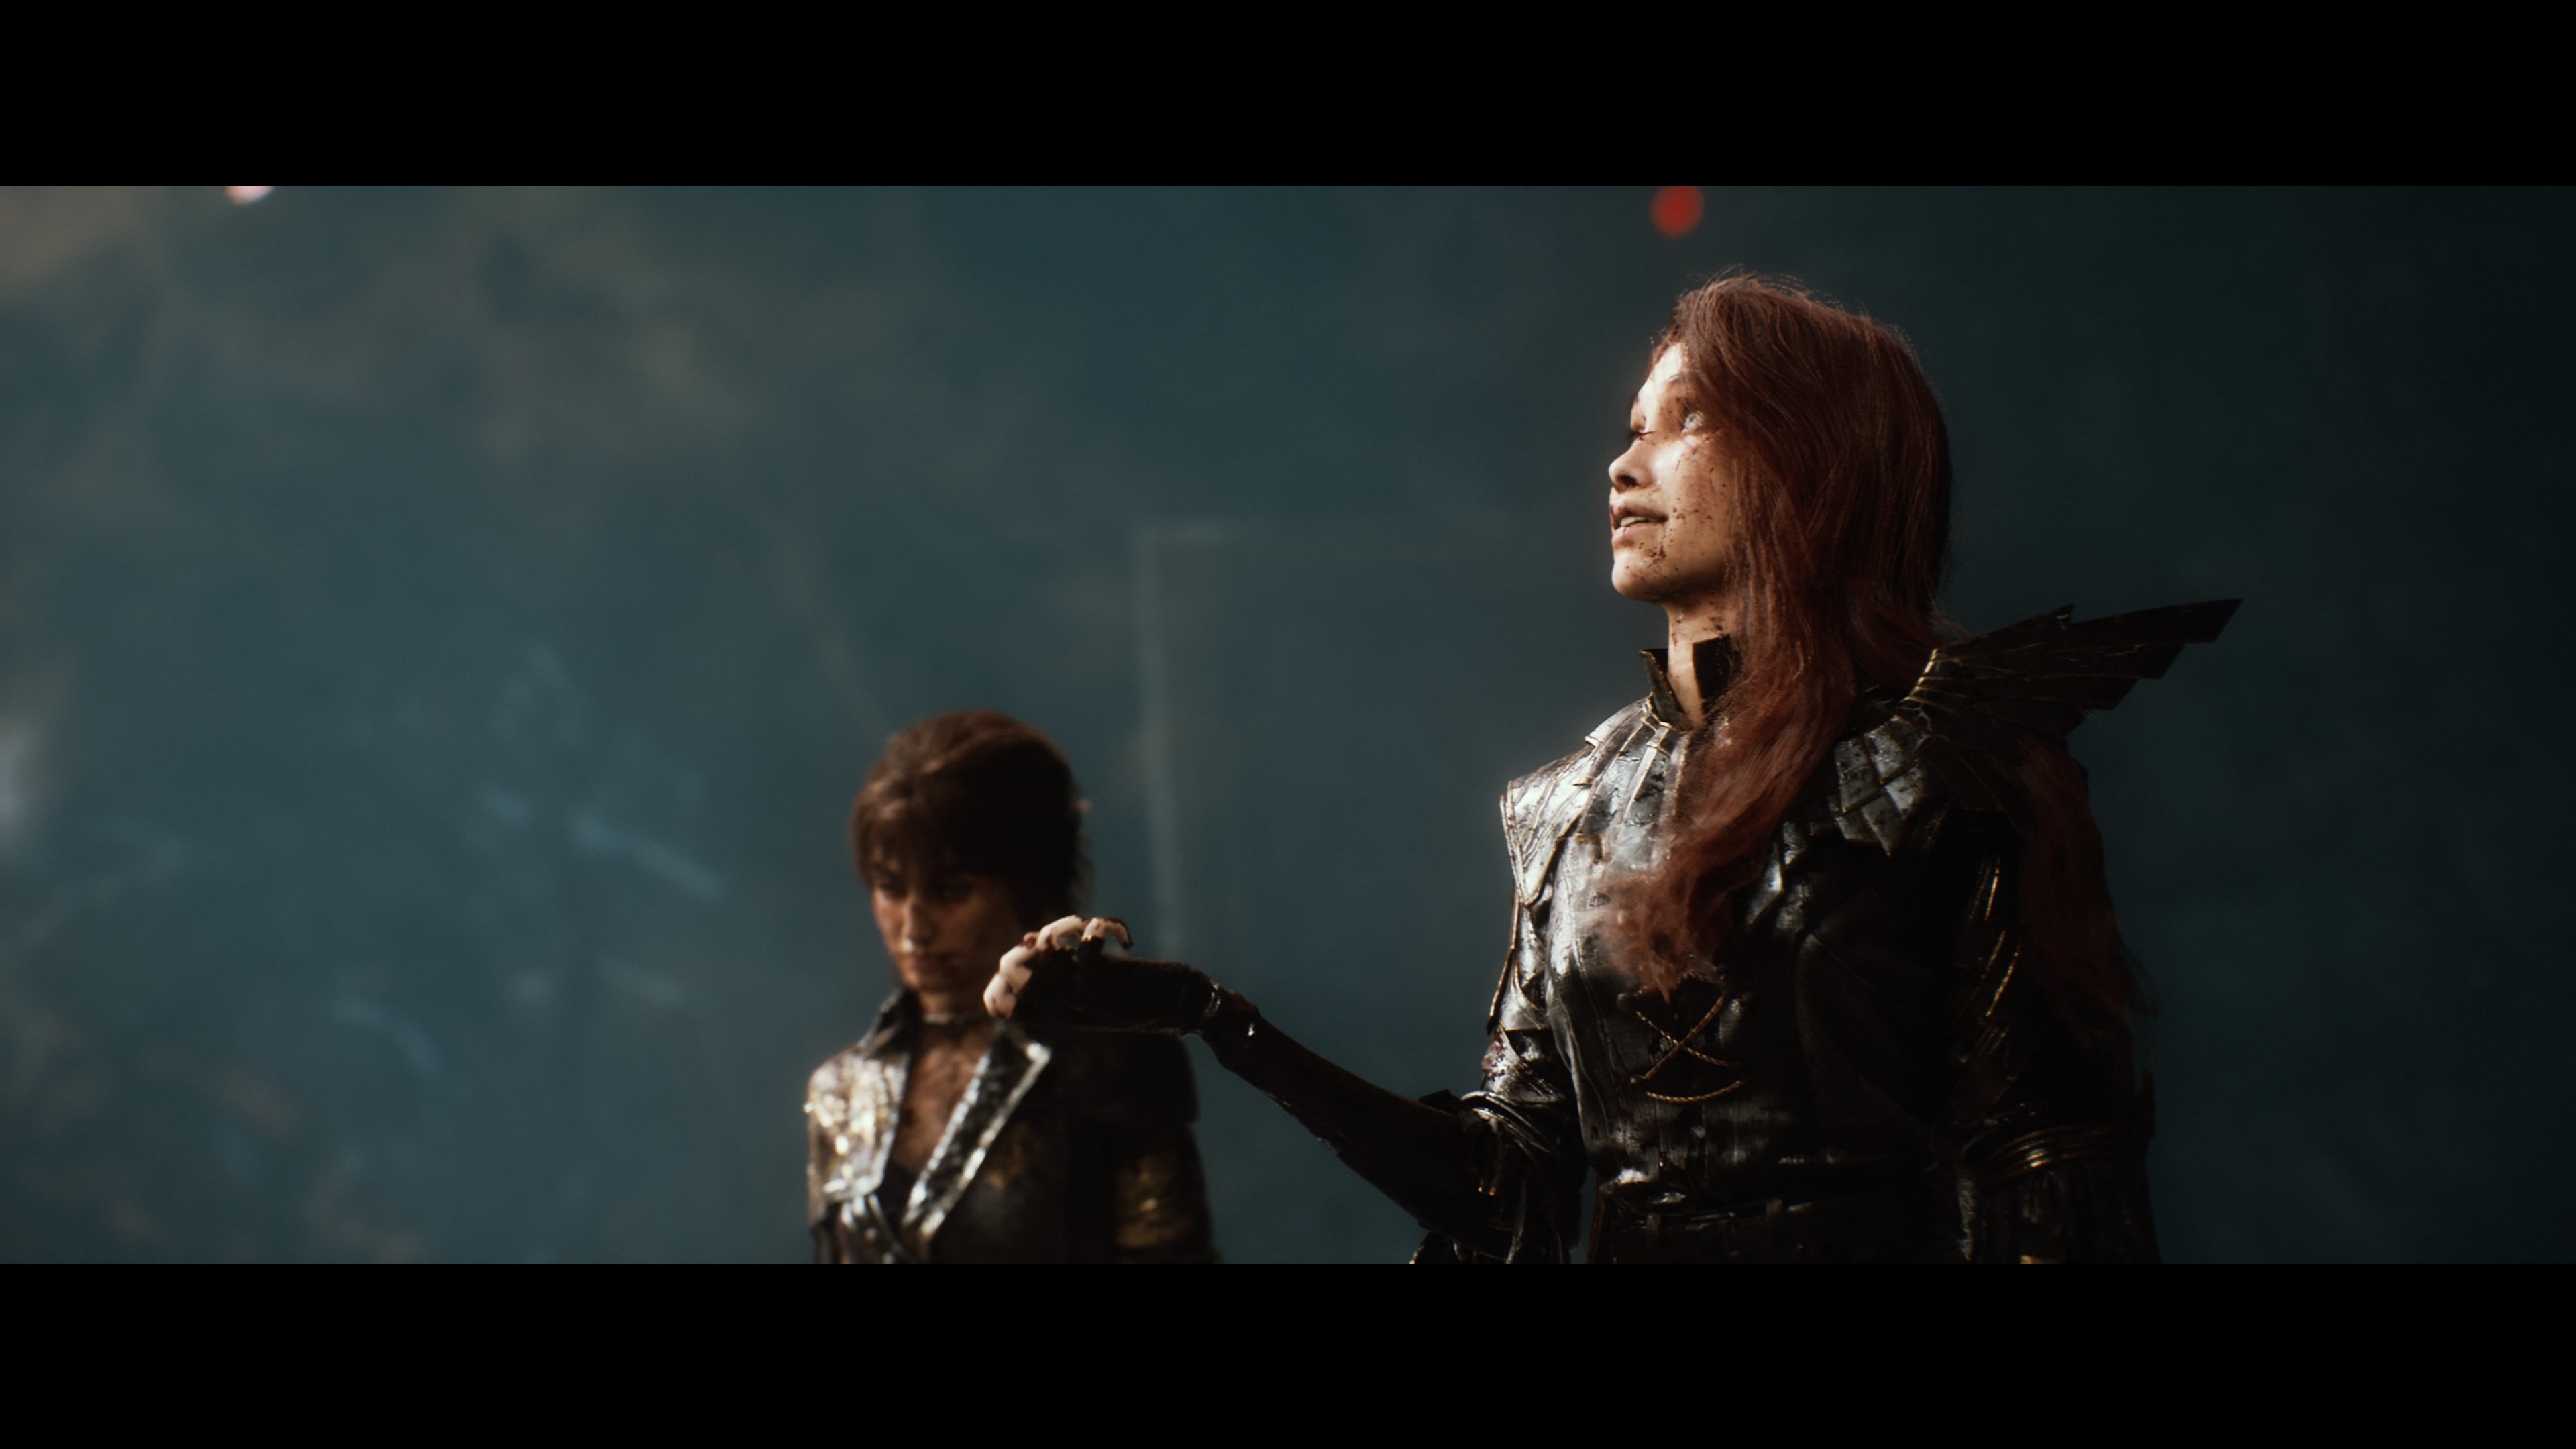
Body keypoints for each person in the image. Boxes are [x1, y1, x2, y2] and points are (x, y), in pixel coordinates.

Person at [988, 274, 2233, 1263]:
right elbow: (1507, 1188)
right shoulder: (1568, 808)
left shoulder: (1948, 766)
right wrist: (1213, 1018)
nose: (1624, 464)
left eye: (1688, 420)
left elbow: (2051, 1184)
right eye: (1634, 426)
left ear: (1814, 459)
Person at [805, 709, 1215, 1263]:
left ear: (1027, 884)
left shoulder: (1110, 1063)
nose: (913, 927)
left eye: (951, 890)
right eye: (890, 887)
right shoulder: (840, 1092)